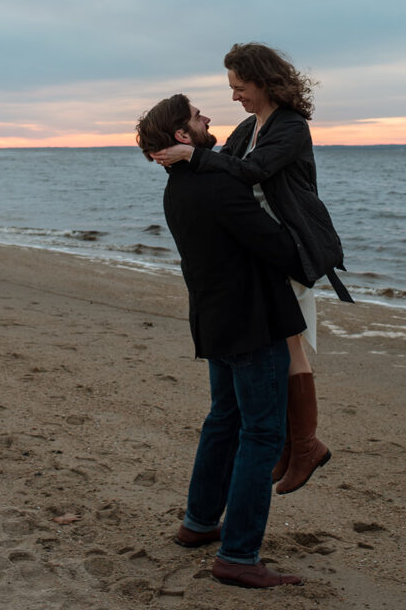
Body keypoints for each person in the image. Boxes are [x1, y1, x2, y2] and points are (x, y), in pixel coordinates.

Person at [153, 42, 352, 495]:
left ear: (264, 82)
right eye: (231, 88)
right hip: (258, 250)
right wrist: (181, 165)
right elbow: (221, 170)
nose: (234, 96)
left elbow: (250, 172)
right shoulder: (248, 126)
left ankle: (304, 445)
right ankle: (291, 445)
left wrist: (192, 157)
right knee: (288, 344)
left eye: (240, 87)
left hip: (288, 245)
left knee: (291, 347)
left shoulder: (291, 127)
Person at [136, 93, 308, 588]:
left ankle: (198, 523)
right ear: (183, 137)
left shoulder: (178, 187)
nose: (208, 116)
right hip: (251, 321)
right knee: (262, 435)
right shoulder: (216, 187)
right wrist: (305, 242)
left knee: (224, 421)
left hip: (214, 319)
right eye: (196, 116)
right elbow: (276, 246)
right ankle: (237, 555)